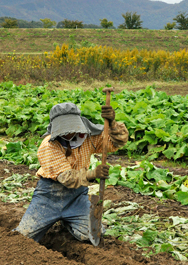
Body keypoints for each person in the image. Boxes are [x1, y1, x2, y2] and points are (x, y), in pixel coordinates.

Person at [15, 102, 129, 245]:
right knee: (22, 238)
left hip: (77, 196)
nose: (70, 132)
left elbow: (116, 142)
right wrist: (92, 174)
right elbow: (66, 177)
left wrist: (112, 123)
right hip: (49, 196)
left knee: (94, 234)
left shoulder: (88, 137)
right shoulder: (49, 145)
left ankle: (68, 222)